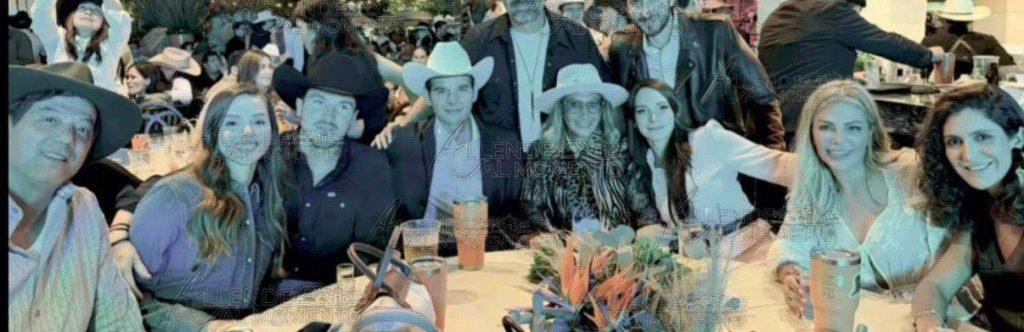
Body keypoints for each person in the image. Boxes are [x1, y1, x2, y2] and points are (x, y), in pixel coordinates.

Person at [767, 80, 949, 317]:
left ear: (870, 131)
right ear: (811, 132)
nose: (838, 140)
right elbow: (788, 246)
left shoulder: (910, 174)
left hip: (933, 318)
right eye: (826, 127)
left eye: (853, 128)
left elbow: (956, 250)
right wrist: (791, 274)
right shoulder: (811, 192)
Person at [127, 84, 287, 331]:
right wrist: (205, 327)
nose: (247, 133)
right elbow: (124, 295)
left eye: (258, 122)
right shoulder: (174, 196)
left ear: (272, 132)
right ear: (214, 131)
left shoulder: (265, 195)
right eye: (232, 123)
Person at [611, 0, 788, 225]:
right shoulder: (622, 48)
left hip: (719, 181)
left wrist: (770, 189)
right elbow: (625, 124)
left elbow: (762, 102)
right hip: (663, 186)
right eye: (635, 2)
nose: (644, 12)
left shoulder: (715, 33)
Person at [9, 63, 143, 330]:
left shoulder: (84, 208)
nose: (68, 138)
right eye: (50, 120)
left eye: (83, 129)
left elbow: (117, 321)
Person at [377, 0, 610, 153]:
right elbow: (446, 83)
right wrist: (404, 122)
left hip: (562, 174)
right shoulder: (479, 40)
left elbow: (609, 102)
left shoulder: (577, 38)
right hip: (499, 173)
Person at [263, 52, 399, 298]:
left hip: (341, 300)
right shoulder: (268, 158)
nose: (329, 116)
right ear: (300, 107)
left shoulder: (371, 168)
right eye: (319, 102)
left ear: (353, 118)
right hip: (264, 305)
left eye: (343, 106)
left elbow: (371, 257)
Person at [627, 79, 795, 260]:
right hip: (704, 264)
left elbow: (776, 164)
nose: (653, 118)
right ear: (634, 121)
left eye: (662, 108)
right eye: (642, 111)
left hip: (751, 251)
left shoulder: (706, 138)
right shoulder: (650, 163)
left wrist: (825, 169)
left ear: (675, 111)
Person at [386, 42, 524, 249]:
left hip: (485, 261)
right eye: (442, 91)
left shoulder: (505, 145)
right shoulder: (402, 144)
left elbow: (518, 215)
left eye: (462, 89)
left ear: (474, 94)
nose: (453, 100)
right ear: (429, 97)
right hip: (423, 259)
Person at [911, 83, 1023, 332]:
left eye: (982, 137)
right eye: (954, 141)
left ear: (1017, 137)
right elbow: (935, 287)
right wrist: (929, 324)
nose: (968, 155)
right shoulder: (979, 205)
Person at [758, 0, 944, 139]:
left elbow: (802, 65)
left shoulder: (777, 15)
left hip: (773, 122)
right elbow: (884, 41)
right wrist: (928, 55)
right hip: (815, 120)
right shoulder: (832, 10)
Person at [521, 64, 659, 237]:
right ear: (561, 109)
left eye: (592, 104)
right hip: (567, 257)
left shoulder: (619, 149)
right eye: (574, 104)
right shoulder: (541, 152)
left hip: (622, 253)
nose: (584, 113)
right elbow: (532, 217)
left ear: (602, 108)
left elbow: (645, 213)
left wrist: (642, 243)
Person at [292, 0, 410, 142]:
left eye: (300, 29)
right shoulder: (315, 61)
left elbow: (416, 82)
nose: (298, 36)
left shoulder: (367, 59)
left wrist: (406, 120)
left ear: (315, 28)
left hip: (362, 154)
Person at [30, 0, 131, 91]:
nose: (88, 12)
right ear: (73, 17)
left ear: (103, 22)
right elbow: (40, 14)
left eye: (96, 11)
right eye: (83, 8)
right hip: (62, 105)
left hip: (98, 107)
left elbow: (121, 19)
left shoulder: (111, 45)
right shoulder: (57, 40)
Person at [922, 0, 1015, 80]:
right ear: (971, 20)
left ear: (945, 20)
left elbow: (919, 71)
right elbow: (1009, 67)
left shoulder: (930, 41)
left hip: (941, 95)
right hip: (977, 94)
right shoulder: (987, 41)